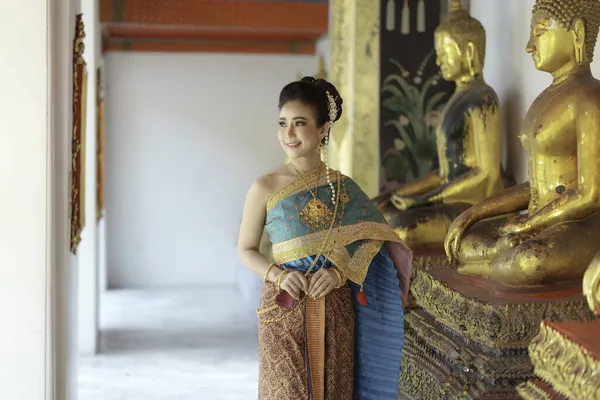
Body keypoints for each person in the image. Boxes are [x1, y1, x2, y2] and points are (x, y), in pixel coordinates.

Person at [237, 77, 413, 399]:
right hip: (284, 309)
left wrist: (339, 273)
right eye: (283, 123)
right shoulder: (264, 187)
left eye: (299, 123)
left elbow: (376, 241)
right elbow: (246, 250)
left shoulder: (344, 188)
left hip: (335, 310)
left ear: (322, 130)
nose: (288, 133)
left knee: (335, 389)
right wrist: (277, 275)